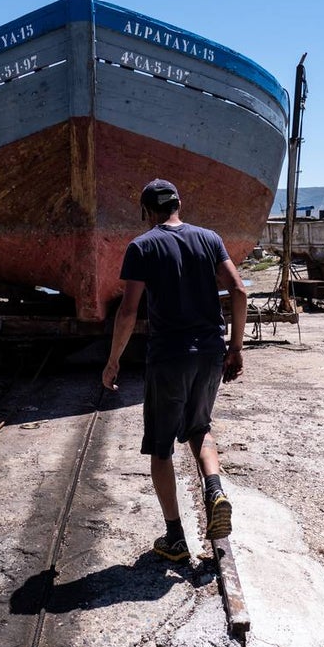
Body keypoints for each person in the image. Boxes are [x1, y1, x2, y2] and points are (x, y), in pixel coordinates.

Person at [102, 179, 247, 562]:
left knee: (162, 447)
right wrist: (236, 347)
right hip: (210, 352)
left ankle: (176, 538)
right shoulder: (210, 238)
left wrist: (113, 359)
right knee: (200, 427)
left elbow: (129, 310)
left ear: (147, 211)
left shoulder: (142, 246)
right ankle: (214, 489)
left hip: (169, 356)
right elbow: (239, 290)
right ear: (178, 204)